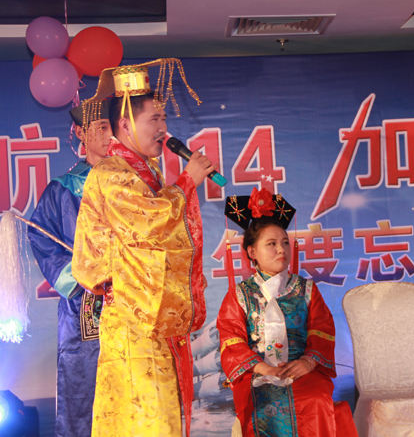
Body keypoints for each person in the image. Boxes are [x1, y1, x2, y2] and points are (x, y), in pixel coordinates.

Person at [72, 59, 216, 437]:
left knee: (161, 419)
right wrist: (187, 182)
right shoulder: (111, 173)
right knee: (147, 421)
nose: (163, 128)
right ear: (125, 125)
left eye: (164, 118)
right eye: (154, 119)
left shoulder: (147, 173)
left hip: (154, 318)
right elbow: (148, 223)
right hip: (133, 321)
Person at [218, 188, 358, 437]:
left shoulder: (306, 289)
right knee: (264, 405)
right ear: (252, 252)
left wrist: (307, 362)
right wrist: (264, 369)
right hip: (258, 372)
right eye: (271, 244)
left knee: (316, 398)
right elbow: (231, 341)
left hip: (302, 369)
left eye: (284, 242)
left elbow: (322, 330)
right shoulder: (240, 294)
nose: (281, 249)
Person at [27, 102, 112, 437]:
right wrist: (77, 281)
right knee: (85, 383)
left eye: (111, 127)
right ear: (80, 132)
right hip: (85, 304)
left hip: (132, 297)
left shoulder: (132, 182)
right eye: (100, 127)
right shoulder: (63, 188)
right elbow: (40, 236)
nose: (108, 135)